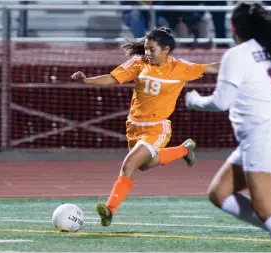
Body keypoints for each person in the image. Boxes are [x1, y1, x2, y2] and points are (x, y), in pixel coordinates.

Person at [185, 3, 271, 252]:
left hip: (265, 136)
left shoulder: (236, 55)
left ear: (233, 28)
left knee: (265, 207)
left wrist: (194, 101)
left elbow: (222, 102)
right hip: (269, 134)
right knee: (220, 193)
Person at [71, 27, 220, 227]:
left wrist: (243, 65)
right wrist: (87, 80)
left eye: (152, 49)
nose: (148, 53)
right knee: (144, 165)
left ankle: (109, 210)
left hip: (157, 128)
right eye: (146, 49)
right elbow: (113, 78)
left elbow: (212, 67)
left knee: (129, 164)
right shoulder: (138, 63)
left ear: (166, 49)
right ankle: (184, 149)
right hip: (133, 126)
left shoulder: (180, 67)